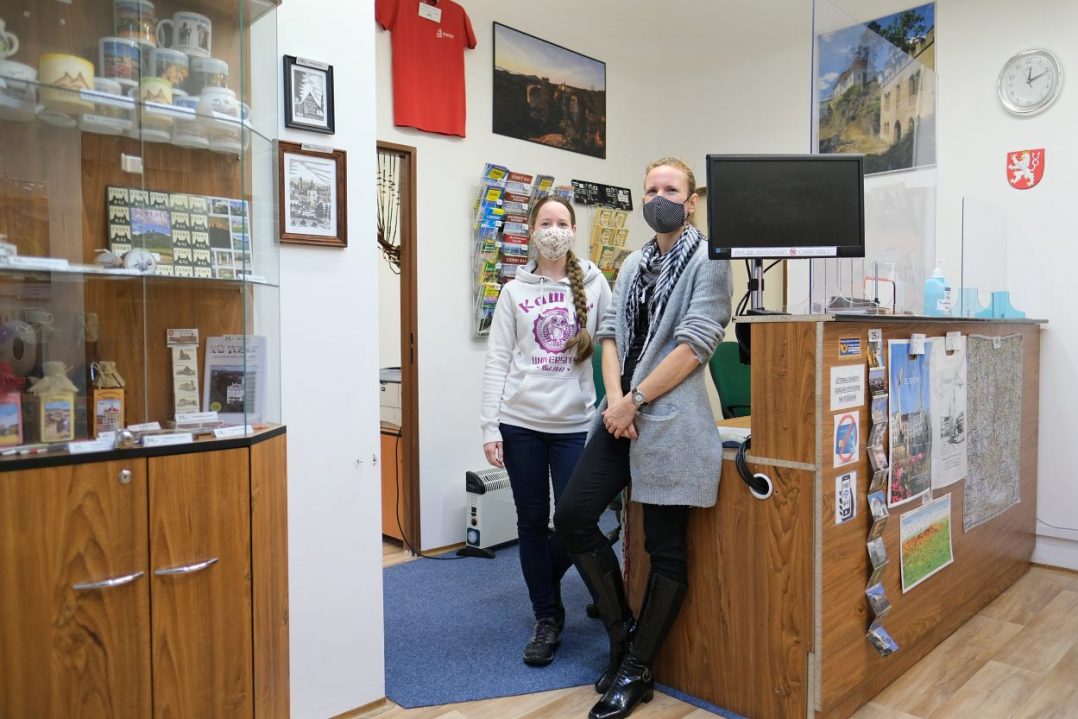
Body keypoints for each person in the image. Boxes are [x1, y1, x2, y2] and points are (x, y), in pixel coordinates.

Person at [553, 158, 732, 719]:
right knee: (573, 517)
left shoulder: (709, 259)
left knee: (665, 547)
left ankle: (635, 668)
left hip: (670, 423)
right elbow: (609, 336)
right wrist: (616, 402)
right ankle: (621, 632)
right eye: (651, 188)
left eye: (670, 189)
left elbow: (695, 344)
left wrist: (636, 400)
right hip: (619, 418)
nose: (659, 197)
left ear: (691, 201)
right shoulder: (633, 262)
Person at [480, 195, 612, 667]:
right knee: (532, 522)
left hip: (576, 425)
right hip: (521, 425)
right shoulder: (513, 292)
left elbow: (612, 347)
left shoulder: (595, 284)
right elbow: (497, 361)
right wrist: (490, 427)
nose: (554, 230)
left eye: (562, 222)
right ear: (532, 230)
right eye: (546, 222)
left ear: (573, 230)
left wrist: (616, 404)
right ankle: (547, 617)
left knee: (578, 518)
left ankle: (548, 577)